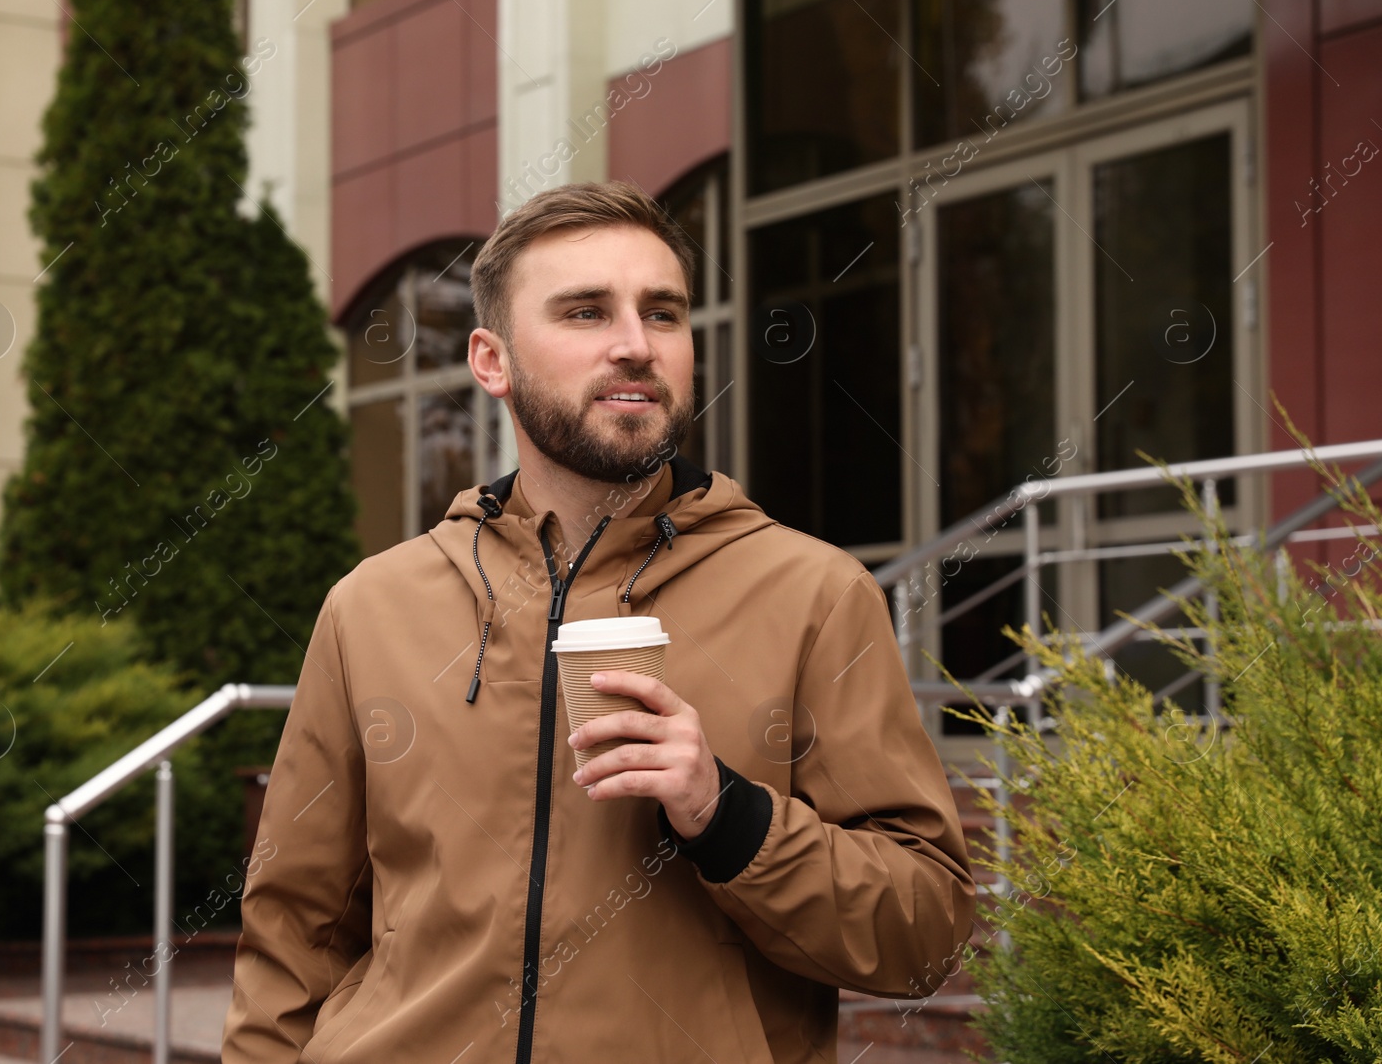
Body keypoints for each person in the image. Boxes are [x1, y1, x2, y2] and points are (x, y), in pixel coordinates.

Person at [222, 180, 975, 1063]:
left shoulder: (816, 595)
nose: (634, 345)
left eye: (663, 314)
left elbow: (926, 933)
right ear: (491, 360)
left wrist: (729, 816)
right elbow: (292, 933)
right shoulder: (370, 608)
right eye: (585, 312)